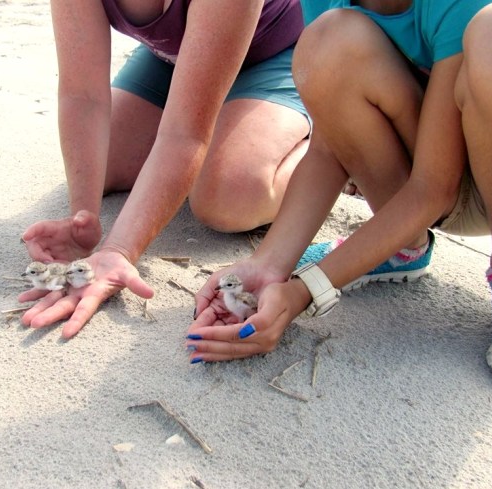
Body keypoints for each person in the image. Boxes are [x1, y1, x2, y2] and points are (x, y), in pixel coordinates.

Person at [188, 0, 492, 384]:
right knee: (331, 39)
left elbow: (435, 189)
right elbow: (330, 146)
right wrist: (269, 266)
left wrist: (304, 291)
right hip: (431, 176)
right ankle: (401, 246)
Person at [18, 0, 311, 338]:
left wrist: (119, 250)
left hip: (277, 50)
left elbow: (184, 135)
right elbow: (82, 96)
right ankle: (222, 115)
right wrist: (82, 218)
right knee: (104, 159)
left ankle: (328, 149)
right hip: (181, 52)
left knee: (226, 195)